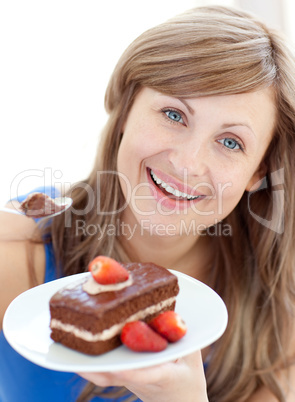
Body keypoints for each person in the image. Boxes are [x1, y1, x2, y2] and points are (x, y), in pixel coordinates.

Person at [1, 4, 295, 401]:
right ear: (126, 109)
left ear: (258, 172)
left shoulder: (279, 311)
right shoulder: (15, 249)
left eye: (230, 142)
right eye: (174, 114)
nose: (187, 164)